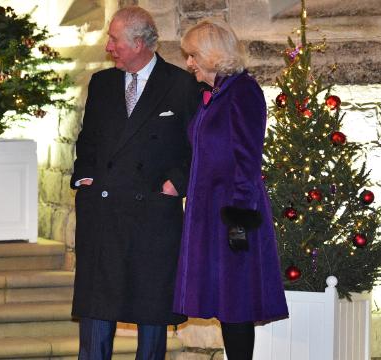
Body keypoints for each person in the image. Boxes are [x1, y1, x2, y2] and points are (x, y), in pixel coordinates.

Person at [70, 6, 201, 360]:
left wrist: (176, 184)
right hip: (104, 212)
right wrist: (84, 179)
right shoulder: (103, 83)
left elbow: (197, 147)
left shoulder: (181, 84)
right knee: (98, 310)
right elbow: (89, 141)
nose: (109, 47)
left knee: (152, 309)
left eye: (114, 40)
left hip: (153, 217)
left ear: (140, 43)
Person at [172, 20, 289, 360]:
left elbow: (247, 159)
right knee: (223, 302)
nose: (189, 63)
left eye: (193, 55)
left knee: (235, 303)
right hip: (208, 211)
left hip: (233, 214)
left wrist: (238, 219)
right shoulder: (215, 94)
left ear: (212, 54)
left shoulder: (243, 91)